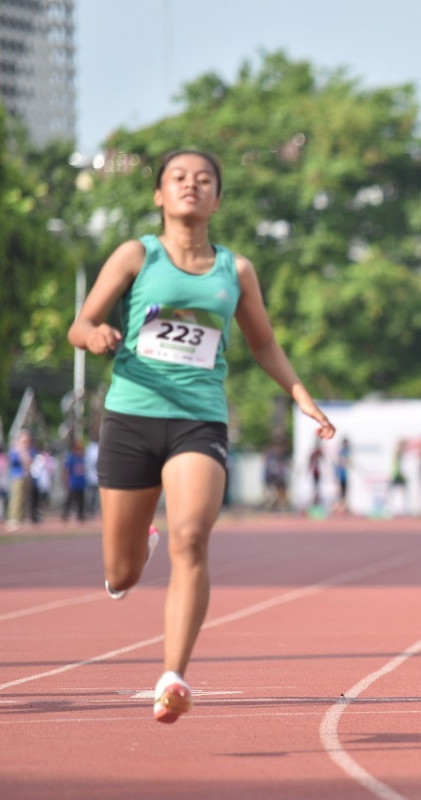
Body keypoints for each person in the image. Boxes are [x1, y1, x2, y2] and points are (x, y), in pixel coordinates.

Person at [67, 149, 335, 724]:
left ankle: (173, 677)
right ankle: (140, 545)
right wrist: (93, 336)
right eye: (179, 178)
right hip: (131, 417)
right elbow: (80, 323)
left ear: (218, 199)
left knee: (191, 537)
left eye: (204, 179)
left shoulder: (235, 271)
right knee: (121, 573)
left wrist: (300, 394)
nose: (191, 185)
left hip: (199, 420)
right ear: (160, 195)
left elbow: (263, 343)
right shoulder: (137, 255)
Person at [62, 439, 88, 522]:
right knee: (70, 499)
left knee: (81, 500)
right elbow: (66, 470)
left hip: (81, 482)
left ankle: (81, 514)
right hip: (73, 482)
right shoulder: (71, 457)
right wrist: (66, 480)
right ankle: (65, 514)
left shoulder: (81, 457)